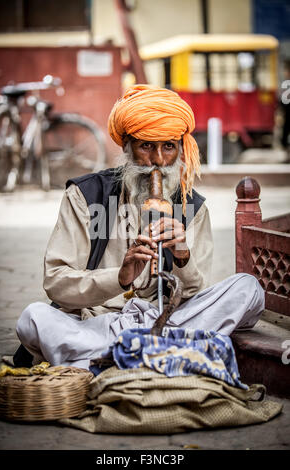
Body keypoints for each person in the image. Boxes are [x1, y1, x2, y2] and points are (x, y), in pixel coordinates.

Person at [14, 85, 265, 370]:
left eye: (168, 146)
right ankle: (163, 355)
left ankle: (114, 360)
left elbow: (197, 295)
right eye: (146, 145)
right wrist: (118, 279)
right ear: (126, 146)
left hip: (166, 320)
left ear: (180, 149)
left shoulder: (192, 208)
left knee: (248, 288)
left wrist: (182, 256)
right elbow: (56, 284)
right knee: (34, 318)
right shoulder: (85, 195)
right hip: (97, 324)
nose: (158, 159)